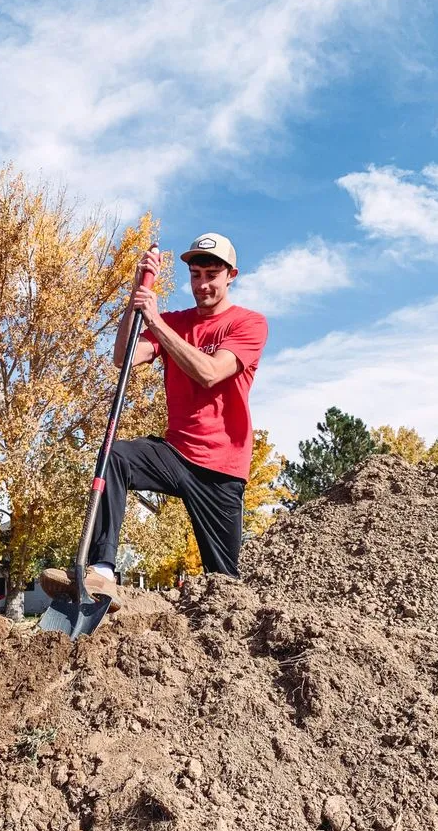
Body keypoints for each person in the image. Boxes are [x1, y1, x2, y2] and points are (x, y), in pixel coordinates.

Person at [40, 232, 268, 610]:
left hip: (222, 469)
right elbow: (123, 357)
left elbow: (210, 373)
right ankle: (102, 570)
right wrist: (135, 296)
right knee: (116, 456)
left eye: (212, 274)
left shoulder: (248, 324)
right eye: (196, 275)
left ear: (232, 275)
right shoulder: (176, 321)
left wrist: (158, 322)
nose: (203, 284)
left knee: (224, 585)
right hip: (176, 452)